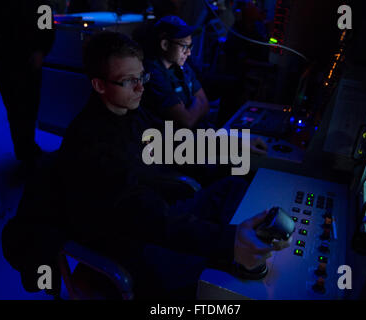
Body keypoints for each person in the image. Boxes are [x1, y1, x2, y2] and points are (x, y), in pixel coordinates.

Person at [56, 31, 290, 299]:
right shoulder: (94, 146)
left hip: (154, 215)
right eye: (129, 81)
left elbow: (175, 140)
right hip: (134, 244)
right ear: (98, 85)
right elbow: (151, 220)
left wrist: (232, 141)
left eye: (142, 76)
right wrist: (228, 243)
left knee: (234, 186)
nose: (141, 87)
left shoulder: (127, 110)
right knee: (219, 270)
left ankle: (242, 248)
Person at [0, 1, 55, 167]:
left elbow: (45, 22)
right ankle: (26, 149)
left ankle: (25, 148)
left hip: (16, 57)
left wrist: (40, 50)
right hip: (11, 57)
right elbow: (45, 22)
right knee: (20, 105)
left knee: (22, 105)